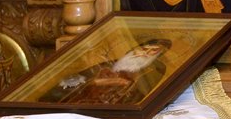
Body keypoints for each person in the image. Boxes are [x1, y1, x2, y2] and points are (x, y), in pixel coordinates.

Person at [40, 38, 171, 108]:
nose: (144, 53)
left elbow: (132, 102)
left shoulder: (146, 78)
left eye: (153, 52)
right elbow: (70, 85)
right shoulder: (108, 65)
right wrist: (98, 82)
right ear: (131, 51)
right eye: (143, 49)